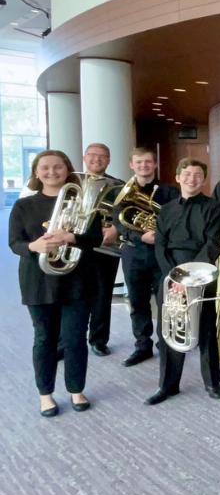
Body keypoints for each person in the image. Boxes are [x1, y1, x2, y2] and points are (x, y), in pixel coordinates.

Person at [9, 150, 103, 416]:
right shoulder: (23, 205)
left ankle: (76, 390)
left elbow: (95, 238)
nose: (52, 172)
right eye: (45, 168)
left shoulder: (84, 204)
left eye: (58, 167)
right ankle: (46, 395)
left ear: (67, 169)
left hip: (77, 279)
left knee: (76, 339)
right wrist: (34, 246)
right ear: (36, 173)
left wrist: (72, 237)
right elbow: (14, 243)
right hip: (38, 280)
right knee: (44, 339)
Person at [146, 159, 220, 406]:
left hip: (202, 272)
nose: (192, 179)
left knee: (205, 328)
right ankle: (168, 385)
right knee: (168, 329)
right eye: (188, 174)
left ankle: (212, 382)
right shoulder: (166, 209)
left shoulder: (214, 208)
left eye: (198, 175)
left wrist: (190, 278)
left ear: (203, 179)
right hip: (170, 274)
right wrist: (174, 277)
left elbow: (213, 244)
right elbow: (160, 245)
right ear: (178, 177)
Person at [113, 147, 181, 367]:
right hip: (134, 252)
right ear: (131, 165)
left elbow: (177, 220)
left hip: (162, 254)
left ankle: (166, 343)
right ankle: (142, 345)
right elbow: (119, 222)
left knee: (165, 301)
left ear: (155, 164)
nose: (144, 166)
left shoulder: (169, 191)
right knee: (137, 300)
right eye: (139, 162)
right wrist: (141, 236)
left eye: (148, 162)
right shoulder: (122, 193)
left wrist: (159, 234)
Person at [82, 142, 120, 357]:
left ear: (109, 160)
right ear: (84, 157)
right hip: (74, 245)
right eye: (92, 155)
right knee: (69, 295)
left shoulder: (118, 186)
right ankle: (64, 341)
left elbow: (127, 213)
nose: (97, 159)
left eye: (103, 156)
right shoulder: (70, 182)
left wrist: (116, 228)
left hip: (105, 248)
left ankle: (98, 339)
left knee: (102, 295)